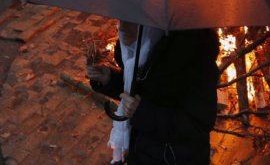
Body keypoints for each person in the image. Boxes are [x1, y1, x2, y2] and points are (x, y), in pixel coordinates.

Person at [87, 21, 220, 164]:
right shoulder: (143, 51)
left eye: (132, 21)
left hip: (173, 158)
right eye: (121, 20)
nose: (123, 28)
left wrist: (142, 112)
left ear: (153, 24)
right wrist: (109, 79)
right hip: (143, 150)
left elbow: (198, 124)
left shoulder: (194, 59)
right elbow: (143, 90)